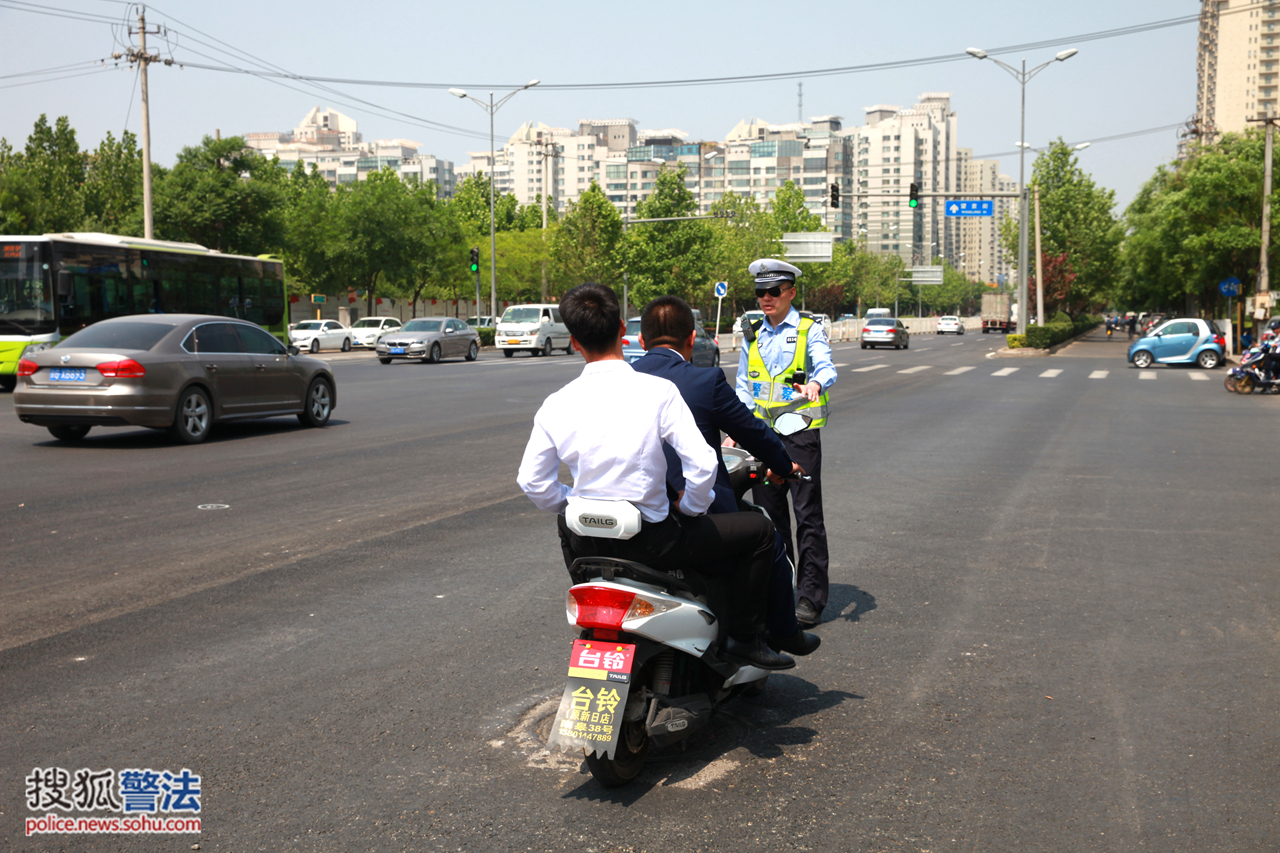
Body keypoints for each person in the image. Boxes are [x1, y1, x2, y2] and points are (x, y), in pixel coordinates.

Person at [517, 282, 794, 670]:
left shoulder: (556, 404)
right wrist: (693, 507)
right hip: (655, 543)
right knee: (761, 532)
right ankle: (744, 639)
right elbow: (702, 465)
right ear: (622, 331)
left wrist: (576, 503)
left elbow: (533, 482)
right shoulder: (658, 392)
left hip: (587, 547)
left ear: (575, 342)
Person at [631, 295, 820, 656]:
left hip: (626, 520)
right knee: (763, 533)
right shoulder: (704, 381)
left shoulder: (621, 382)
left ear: (642, 341)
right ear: (691, 339)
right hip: (681, 522)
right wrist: (784, 466)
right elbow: (754, 433)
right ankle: (756, 636)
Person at [735, 259, 837, 628]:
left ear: (791, 293)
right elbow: (744, 386)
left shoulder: (810, 329)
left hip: (800, 432)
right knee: (770, 518)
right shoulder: (752, 333)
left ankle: (810, 598)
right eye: (760, 292)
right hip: (762, 438)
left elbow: (826, 367)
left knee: (807, 516)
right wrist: (738, 429)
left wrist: (816, 384)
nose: (766, 298)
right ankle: (777, 592)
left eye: (773, 292)